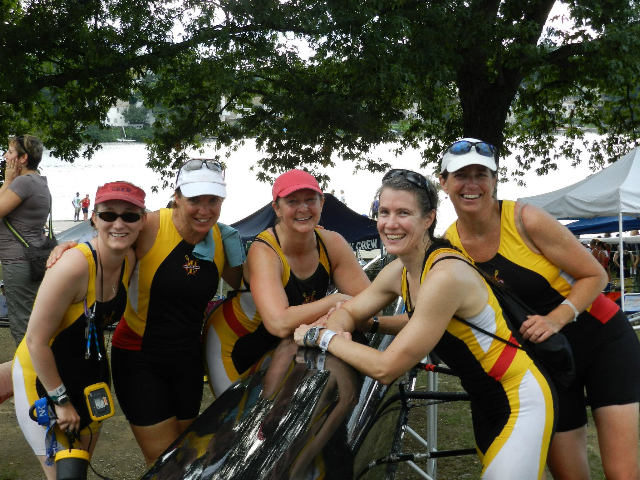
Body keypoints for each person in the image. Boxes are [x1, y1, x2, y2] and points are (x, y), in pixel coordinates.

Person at [294, 169, 555, 479]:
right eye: (384, 212)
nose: (390, 224)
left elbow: (386, 367)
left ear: (428, 218)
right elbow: (349, 311)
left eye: (403, 213)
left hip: (520, 398)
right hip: (485, 398)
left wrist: (321, 337)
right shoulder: (401, 270)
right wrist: (342, 326)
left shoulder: (444, 275)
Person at [439, 138, 640, 479]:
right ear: (443, 182)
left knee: (622, 472)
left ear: (494, 180)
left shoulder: (524, 219)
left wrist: (556, 318)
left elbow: (595, 274)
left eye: (481, 174)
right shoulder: (450, 245)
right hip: (547, 360)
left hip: (602, 340)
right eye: (461, 175)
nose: (471, 184)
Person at [48, 159, 246, 466]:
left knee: (188, 457)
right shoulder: (152, 225)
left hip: (188, 363)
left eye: (213, 200)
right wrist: (71, 247)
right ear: (177, 197)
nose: (204, 210)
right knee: (166, 464)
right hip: (141, 359)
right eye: (194, 200)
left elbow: (251, 287)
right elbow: (108, 242)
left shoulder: (222, 238)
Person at [12, 181, 145, 479]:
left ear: (142, 221)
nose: (119, 223)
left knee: (78, 472)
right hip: (43, 380)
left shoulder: (129, 259)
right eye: (108, 215)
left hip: (90, 378)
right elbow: (35, 341)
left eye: (130, 216)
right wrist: (61, 402)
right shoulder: (73, 265)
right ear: (93, 219)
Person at [205, 169, 372, 397]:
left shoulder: (332, 243)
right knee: (229, 426)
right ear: (277, 208)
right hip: (234, 342)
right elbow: (279, 323)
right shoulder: (264, 250)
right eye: (292, 201)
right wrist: (335, 302)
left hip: (283, 347)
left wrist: (339, 315)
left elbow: (369, 305)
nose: (303, 208)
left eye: (310, 200)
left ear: (322, 203)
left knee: (277, 419)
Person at [0, 134, 51, 346]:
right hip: (31, 261)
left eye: (10, 152)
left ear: (23, 159)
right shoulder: (39, 181)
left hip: (17, 263)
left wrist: (8, 180)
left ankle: (30, 376)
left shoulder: (22, 183)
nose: (4, 156)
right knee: (32, 321)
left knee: (22, 326)